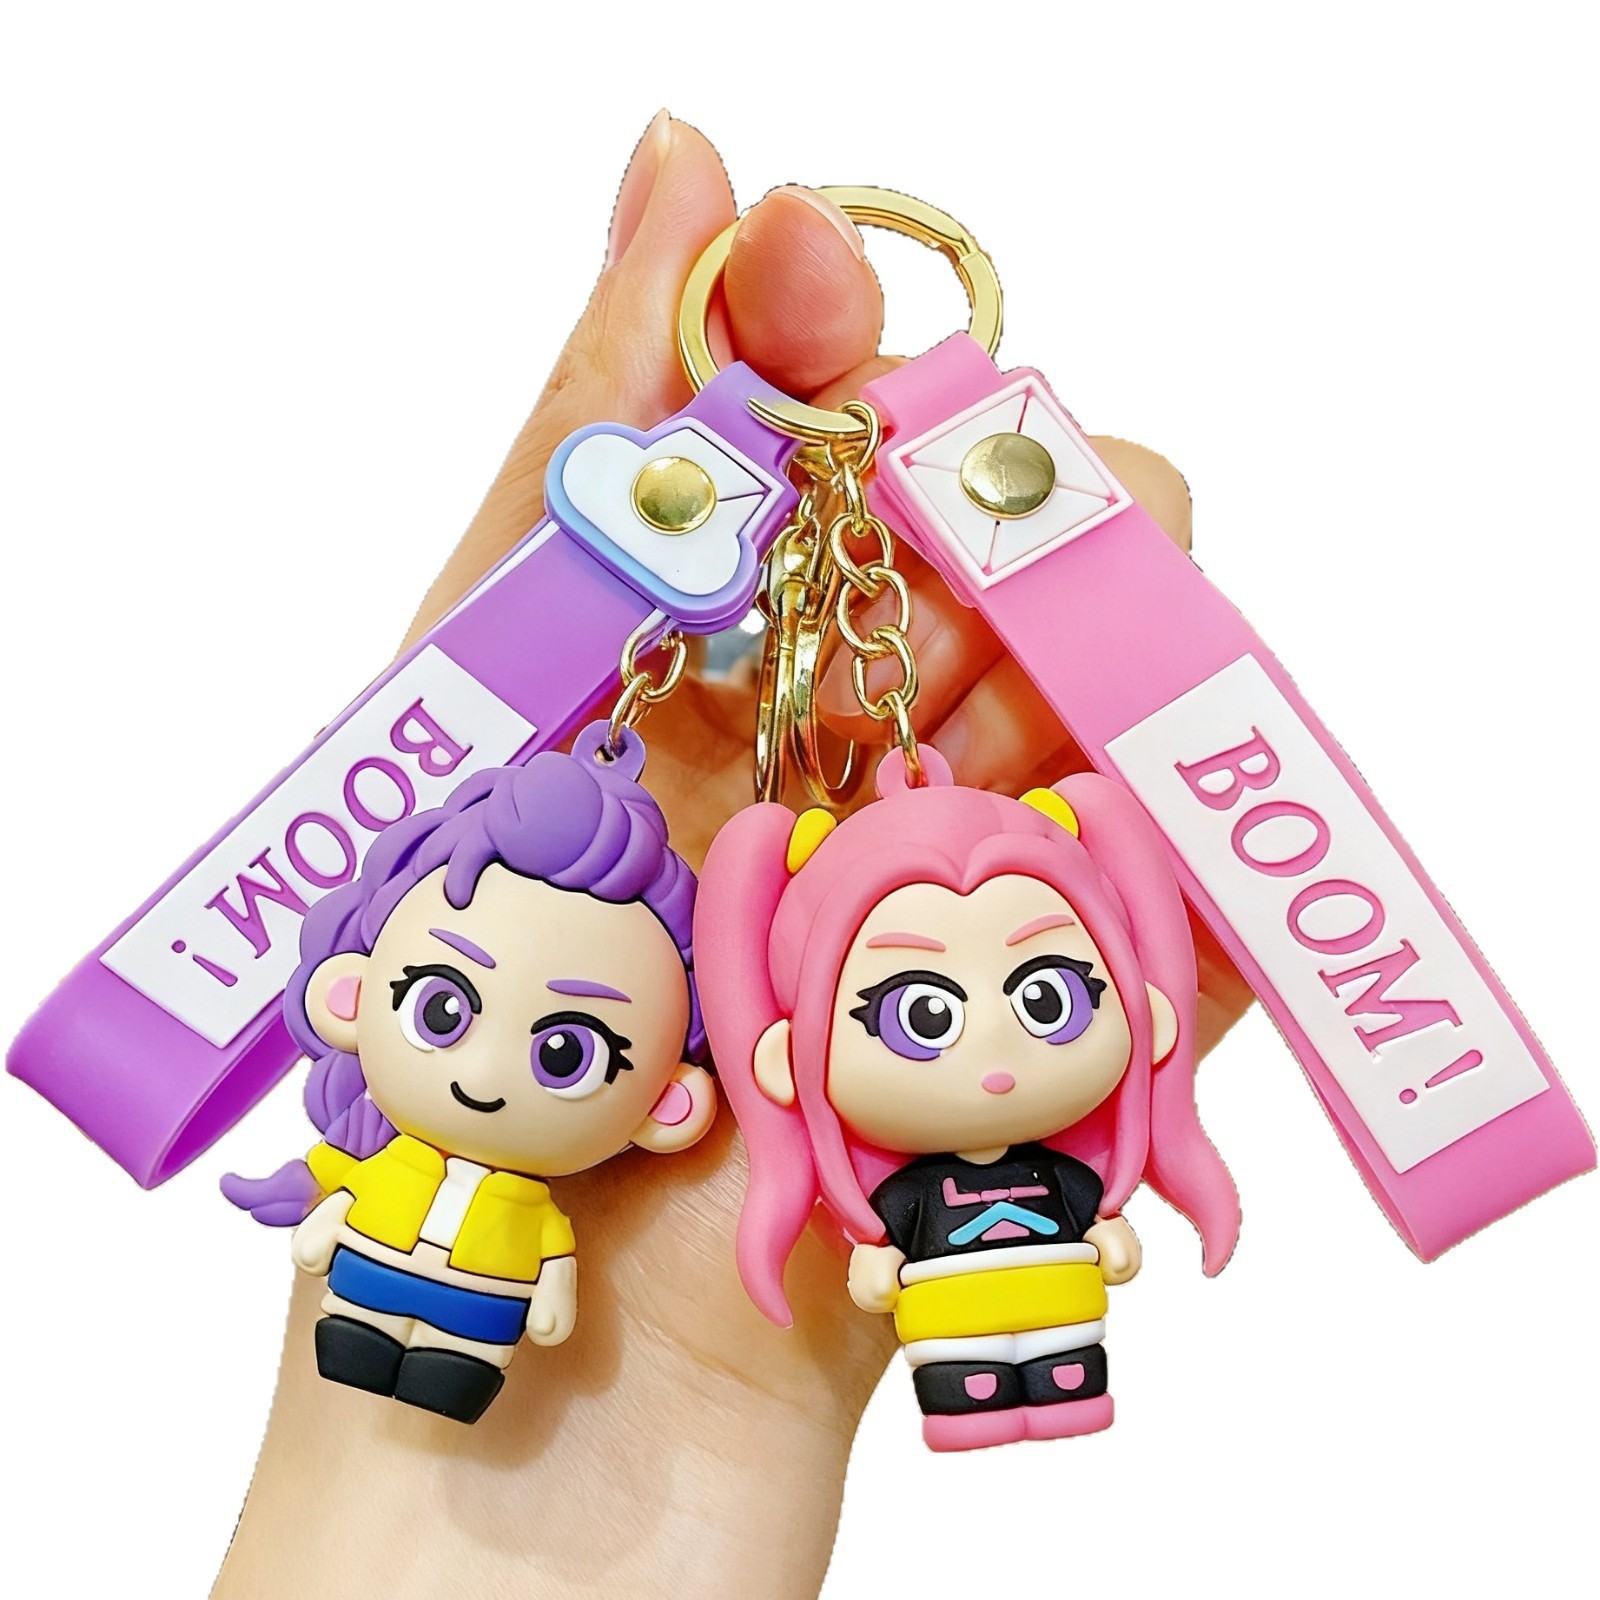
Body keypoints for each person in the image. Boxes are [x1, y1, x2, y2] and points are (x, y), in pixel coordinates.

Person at [213, 113, 1250, 1597]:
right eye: (443, 1008)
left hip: (1004, 1280)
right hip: (428, 1281)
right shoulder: (493, 1144)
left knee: (1029, 1356)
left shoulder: (932, 1166)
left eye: (1039, 999)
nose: (991, 1057)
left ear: (691, 1087)